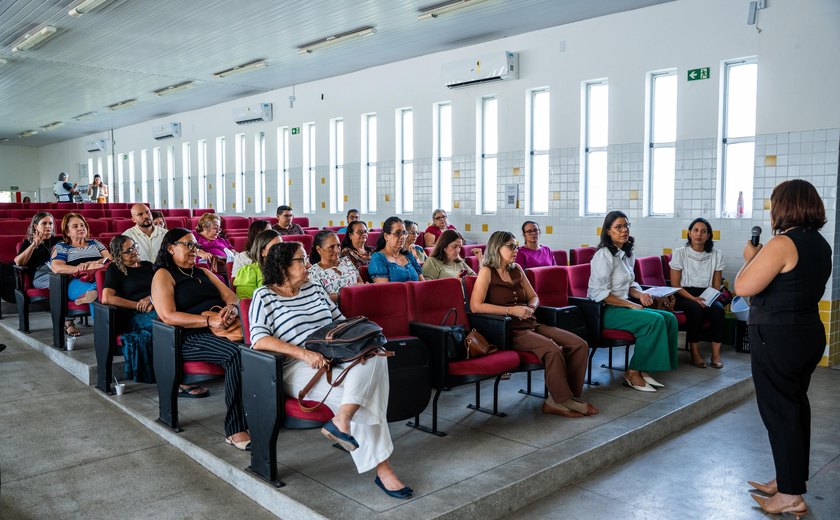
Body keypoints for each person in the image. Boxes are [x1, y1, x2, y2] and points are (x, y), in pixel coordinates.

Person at [249, 242, 411, 498]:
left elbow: (338, 322)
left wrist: (355, 343)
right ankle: (383, 470)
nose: (308, 265)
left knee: (377, 354)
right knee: (363, 396)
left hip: (334, 357)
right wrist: (303, 353)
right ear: (283, 267)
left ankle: (342, 419)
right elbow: (258, 339)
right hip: (296, 367)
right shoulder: (264, 295)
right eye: (301, 260)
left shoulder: (314, 288)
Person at [734, 180, 830, 518]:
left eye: (775, 203)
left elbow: (743, 286)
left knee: (780, 412)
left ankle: (790, 495)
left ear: (785, 207)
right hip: (807, 334)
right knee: (794, 408)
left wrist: (753, 257)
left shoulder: (782, 243)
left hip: (778, 338)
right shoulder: (820, 244)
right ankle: (789, 478)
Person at [470, 231, 596, 418]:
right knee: (552, 349)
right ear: (497, 248)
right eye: (511, 246)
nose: (516, 250)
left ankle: (567, 396)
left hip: (530, 323)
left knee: (579, 344)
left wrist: (530, 307)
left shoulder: (517, 269)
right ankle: (560, 401)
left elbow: (533, 296)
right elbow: (475, 306)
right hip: (509, 330)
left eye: (516, 245)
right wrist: (511, 311)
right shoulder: (487, 271)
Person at [151, 228, 250, 450]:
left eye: (196, 246)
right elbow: (168, 315)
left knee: (261, 347)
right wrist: (208, 322)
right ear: (170, 248)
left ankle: (265, 411)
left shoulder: (203, 273)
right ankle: (235, 429)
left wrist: (231, 310)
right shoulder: (164, 274)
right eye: (188, 245)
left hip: (219, 329)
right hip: (187, 337)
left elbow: (231, 296)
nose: (194, 250)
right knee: (235, 354)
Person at [102, 235, 209, 397]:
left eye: (135, 246)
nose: (134, 251)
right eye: (128, 250)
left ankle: (196, 361)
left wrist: (151, 299)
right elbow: (107, 298)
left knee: (183, 315)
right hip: (134, 315)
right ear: (118, 255)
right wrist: (138, 305)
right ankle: (176, 381)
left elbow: (162, 285)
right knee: (167, 326)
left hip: (157, 305)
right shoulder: (114, 269)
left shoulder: (147, 266)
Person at [587, 211, 678, 392]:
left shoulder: (627, 253)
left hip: (624, 306)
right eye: (618, 227)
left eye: (626, 225)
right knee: (654, 320)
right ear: (608, 231)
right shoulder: (603, 255)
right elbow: (598, 293)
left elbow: (630, 284)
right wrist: (631, 304)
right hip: (606, 310)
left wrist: (640, 295)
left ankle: (645, 369)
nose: (624, 230)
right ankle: (632, 372)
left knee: (669, 318)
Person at [670, 218, 726, 369]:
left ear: (708, 235)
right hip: (683, 294)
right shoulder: (680, 253)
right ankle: (695, 353)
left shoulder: (716, 254)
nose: (699, 234)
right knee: (695, 309)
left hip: (708, 293)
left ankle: (715, 355)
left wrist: (707, 298)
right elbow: (675, 285)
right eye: (695, 230)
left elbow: (716, 285)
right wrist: (694, 299)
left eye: (703, 231)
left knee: (718, 310)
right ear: (689, 233)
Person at [49, 212, 111, 337]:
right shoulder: (62, 247)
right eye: (75, 226)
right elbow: (56, 267)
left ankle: (92, 293)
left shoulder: (96, 243)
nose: (80, 228)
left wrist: (92, 263)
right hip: (76, 283)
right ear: (67, 231)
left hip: (98, 279)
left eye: (82, 225)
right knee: (102, 291)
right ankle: (104, 333)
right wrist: (79, 268)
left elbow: (109, 260)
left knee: (98, 291)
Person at [14, 212, 62, 294]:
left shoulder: (59, 240)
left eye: (50, 223)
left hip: (61, 271)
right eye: (44, 223)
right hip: (42, 274)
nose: (48, 226)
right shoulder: (28, 242)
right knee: (61, 284)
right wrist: (34, 245)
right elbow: (18, 262)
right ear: (36, 226)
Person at [308, 230, 361, 301]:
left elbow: (361, 283)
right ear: (319, 249)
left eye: (338, 246)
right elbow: (319, 298)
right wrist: (348, 293)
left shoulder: (347, 261)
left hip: (357, 304)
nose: (337, 250)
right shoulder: (314, 272)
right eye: (331, 247)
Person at [369, 217, 424, 283]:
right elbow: (384, 289)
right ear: (386, 236)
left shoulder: (408, 255)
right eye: (398, 233)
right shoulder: (378, 258)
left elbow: (422, 283)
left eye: (404, 233)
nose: (402, 237)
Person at [232, 229, 281, 299]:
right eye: (275, 247)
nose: (281, 250)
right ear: (262, 252)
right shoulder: (249, 272)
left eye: (282, 246)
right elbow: (247, 304)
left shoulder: (289, 268)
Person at [194, 213, 235, 283]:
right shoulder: (194, 236)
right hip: (207, 270)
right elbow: (185, 247)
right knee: (220, 279)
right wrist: (200, 252)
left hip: (227, 268)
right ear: (205, 227)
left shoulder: (221, 240)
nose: (217, 232)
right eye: (215, 228)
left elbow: (232, 251)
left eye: (219, 229)